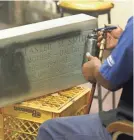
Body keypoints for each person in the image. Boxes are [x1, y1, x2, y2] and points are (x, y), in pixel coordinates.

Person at [37, 16, 133, 140]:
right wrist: (124, 42)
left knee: (49, 129)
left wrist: (94, 69)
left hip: (127, 129)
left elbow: (110, 80)